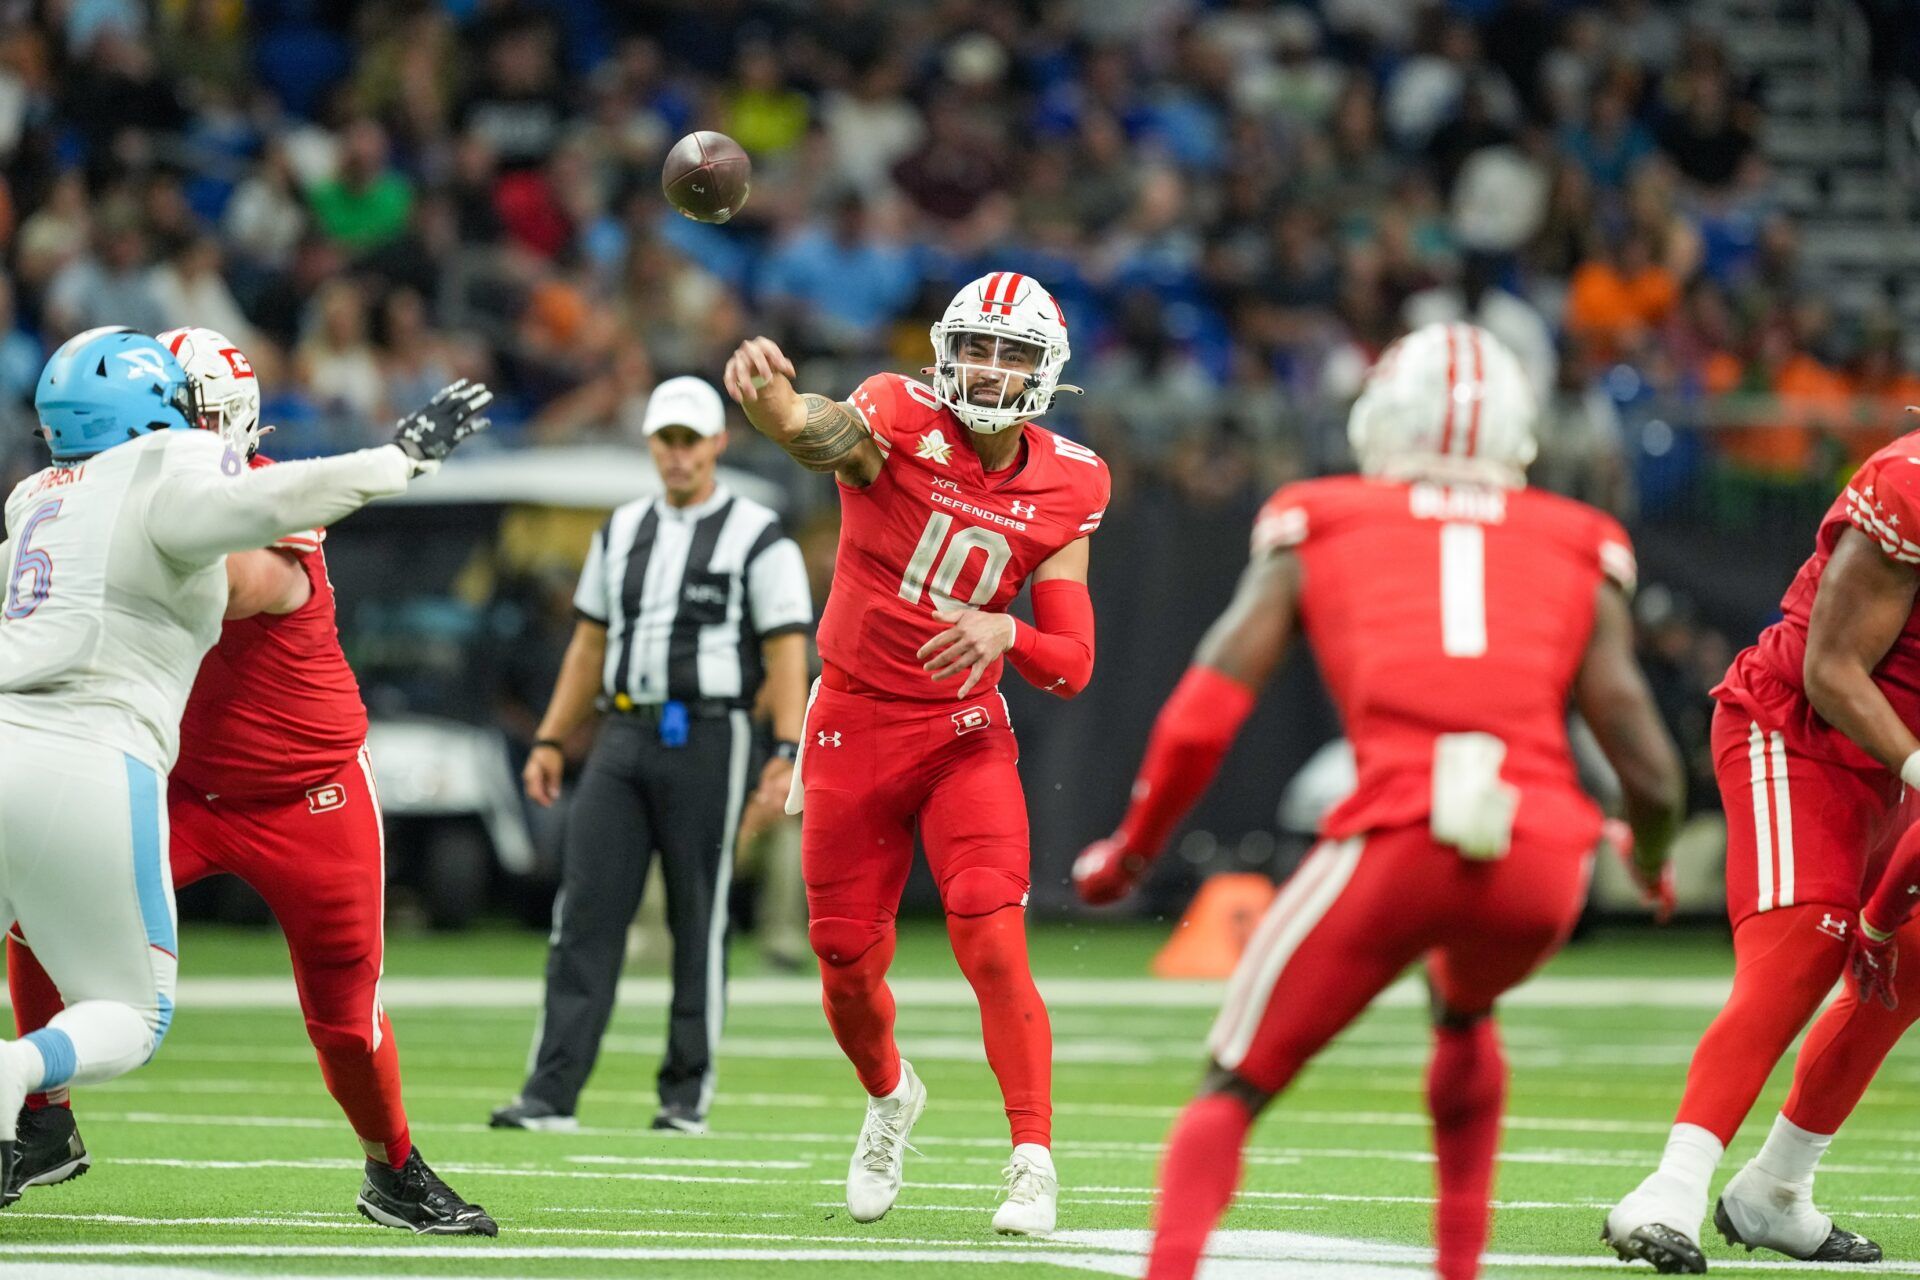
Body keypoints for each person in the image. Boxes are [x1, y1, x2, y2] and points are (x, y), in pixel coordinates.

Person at [1072, 322, 1684, 1280]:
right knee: (1464, 1009)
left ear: (1380, 418)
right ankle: (1456, 1263)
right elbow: (1644, 762)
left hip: (1396, 839)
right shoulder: (1580, 537)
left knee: (1234, 1081)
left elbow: (1201, 716)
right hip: (1540, 855)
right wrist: (1646, 859)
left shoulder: (1322, 514)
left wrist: (1133, 851)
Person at [4, 327, 496, 1233]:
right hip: (179, 784)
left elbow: (237, 581)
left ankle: (393, 1168)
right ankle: (44, 1123)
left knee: (345, 1014)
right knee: (39, 914)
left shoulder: (251, 500)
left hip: (308, 792)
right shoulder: (115, 491)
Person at [721, 271, 1109, 1237]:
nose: (985, 367)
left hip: (961, 735)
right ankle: (891, 1096)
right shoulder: (896, 413)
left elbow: (1072, 664)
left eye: (1010, 352)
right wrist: (774, 410)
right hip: (851, 723)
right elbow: (824, 432)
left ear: (1046, 371)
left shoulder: (1073, 479)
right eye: (974, 345)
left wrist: (1007, 634)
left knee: (990, 933)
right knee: (843, 961)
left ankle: (1031, 1159)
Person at [1602, 418, 1920, 1272]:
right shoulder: (1910, 483)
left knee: (1910, 957)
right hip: (1803, 732)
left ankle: (1776, 1190)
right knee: (1805, 944)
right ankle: (1668, 1189)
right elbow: (1833, 667)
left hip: (1900, 764)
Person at [491, 376, 812, 1136]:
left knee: (700, 916)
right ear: (651, 445)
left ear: (716, 444)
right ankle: (551, 1091)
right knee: (585, 910)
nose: (676, 454)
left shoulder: (757, 532)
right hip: (623, 732)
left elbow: (787, 648)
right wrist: (548, 738)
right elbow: (590, 644)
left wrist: (787, 748)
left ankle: (684, 1092)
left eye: (689, 440)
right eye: (665, 440)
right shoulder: (621, 529)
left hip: (713, 732)